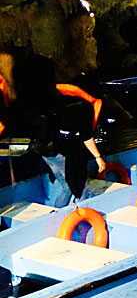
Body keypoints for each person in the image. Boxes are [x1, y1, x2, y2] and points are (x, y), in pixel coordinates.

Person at [11, 55, 107, 200]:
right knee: (79, 186)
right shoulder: (76, 106)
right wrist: (98, 156)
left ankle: (58, 213)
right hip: (54, 150)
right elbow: (86, 136)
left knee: (66, 186)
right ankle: (80, 216)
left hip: (44, 149)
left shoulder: (38, 101)